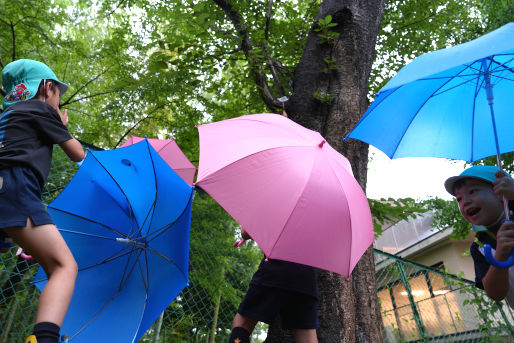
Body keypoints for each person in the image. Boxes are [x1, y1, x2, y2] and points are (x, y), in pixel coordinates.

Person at [0, 59, 85, 343]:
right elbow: (77, 153)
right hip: (15, 186)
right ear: (47, 88)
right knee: (64, 266)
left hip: (6, 191)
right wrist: (60, 122)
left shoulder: (9, 114)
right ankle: (45, 339)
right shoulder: (41, 109)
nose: (58, 101)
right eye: (58, 96)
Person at [228, 229, 319, 343]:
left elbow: (246, 233)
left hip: (276, 268)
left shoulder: (279, 209)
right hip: (306, 276)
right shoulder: (323, 213)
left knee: (243, 323)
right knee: (307, 336)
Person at [444, 165, 514, 308]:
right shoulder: (480, 247)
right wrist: (500, 254)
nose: (466, 202)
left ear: (501, 194)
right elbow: (496, 293)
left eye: (472, 191)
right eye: (459, 199)